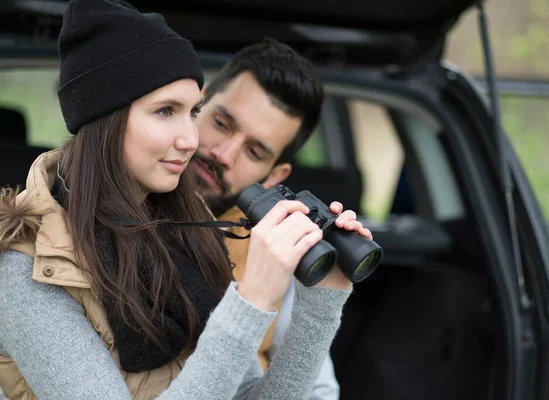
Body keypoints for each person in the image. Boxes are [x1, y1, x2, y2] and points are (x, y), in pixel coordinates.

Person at [0, 1, 372, 399]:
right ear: (105, 118)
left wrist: (323, 300)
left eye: (192, 112)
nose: (191, 140)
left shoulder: (189, 232)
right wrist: (250, 302)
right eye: (165, 111)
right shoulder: (25, 270)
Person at [192, 39, 349, 400]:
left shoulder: (275, 247)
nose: (223, 154)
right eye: (221, 122)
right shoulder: (94, 211)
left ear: (276, 176)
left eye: (254, 150)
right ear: (196, 103)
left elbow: (316, 392)